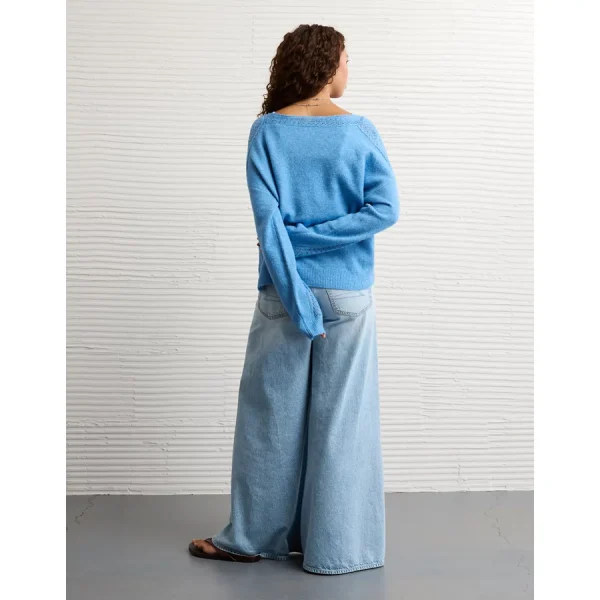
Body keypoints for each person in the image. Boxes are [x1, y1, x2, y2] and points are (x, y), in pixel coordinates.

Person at [189, 23, 400, 575]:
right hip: (349, 296)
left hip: (282, 295)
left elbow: (270, 228)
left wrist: (298, 260)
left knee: (270, 420)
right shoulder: (359, 131)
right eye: (346, 59)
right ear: (327, 66)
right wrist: (324, 239)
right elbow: (384, 209)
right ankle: (337, 550)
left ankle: (250, 539)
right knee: (343, 424)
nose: (349, 69)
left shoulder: (266, 131)